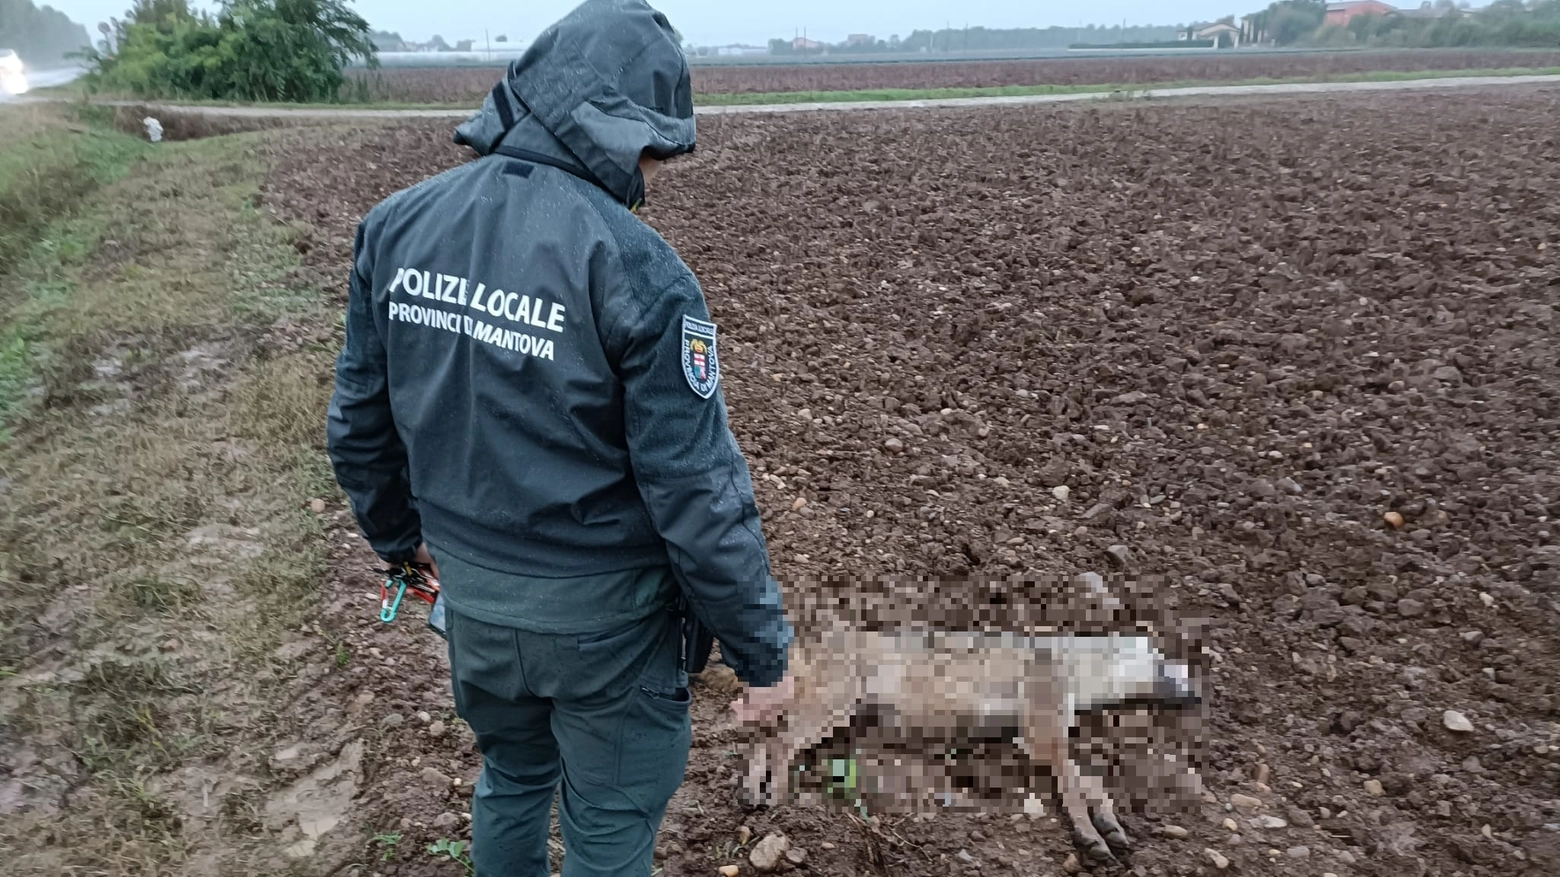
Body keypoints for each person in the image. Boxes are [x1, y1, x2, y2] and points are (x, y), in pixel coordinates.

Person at [325, 2, 793, 875]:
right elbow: (696, 494)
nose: (656, 167)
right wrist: (763, 652)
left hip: (472, 601)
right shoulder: (643, 274)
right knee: (610, 827)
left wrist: (402, 544)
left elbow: (358, 424)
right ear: (620, 127)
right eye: (656, 143)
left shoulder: (395, 227)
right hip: (605, 630)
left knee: (511, 774)